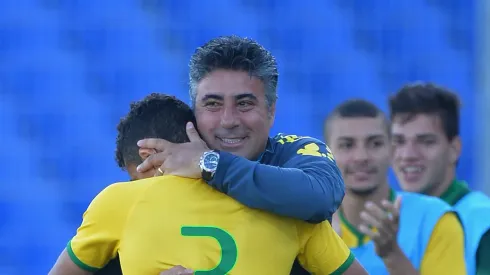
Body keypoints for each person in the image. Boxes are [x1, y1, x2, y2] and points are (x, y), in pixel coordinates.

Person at [48, 93, 367, 275]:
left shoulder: (120, 204)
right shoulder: (286, 199)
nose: (144, 187)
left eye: (140, 177)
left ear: (152, 155)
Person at [136, 35, 345, 224]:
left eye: (244, 103)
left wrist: (211, 165)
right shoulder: (174, 168)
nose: (228, 121)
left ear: (271, 110)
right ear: (194, 110)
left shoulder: (297, 151)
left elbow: (319, 197)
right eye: (213, 104)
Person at [319, 99, 466, 275]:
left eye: (375, 143)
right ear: (326, 154)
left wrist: (392, 255)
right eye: (347, 145)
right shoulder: (313, 227)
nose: (361, 156)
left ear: (393, 149)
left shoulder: (435, 219)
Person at [389, 83, 490, 275]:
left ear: (454, 149)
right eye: (399, 141)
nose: (408, 154)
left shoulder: (482, 222)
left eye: (426, 142)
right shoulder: (383, 219)